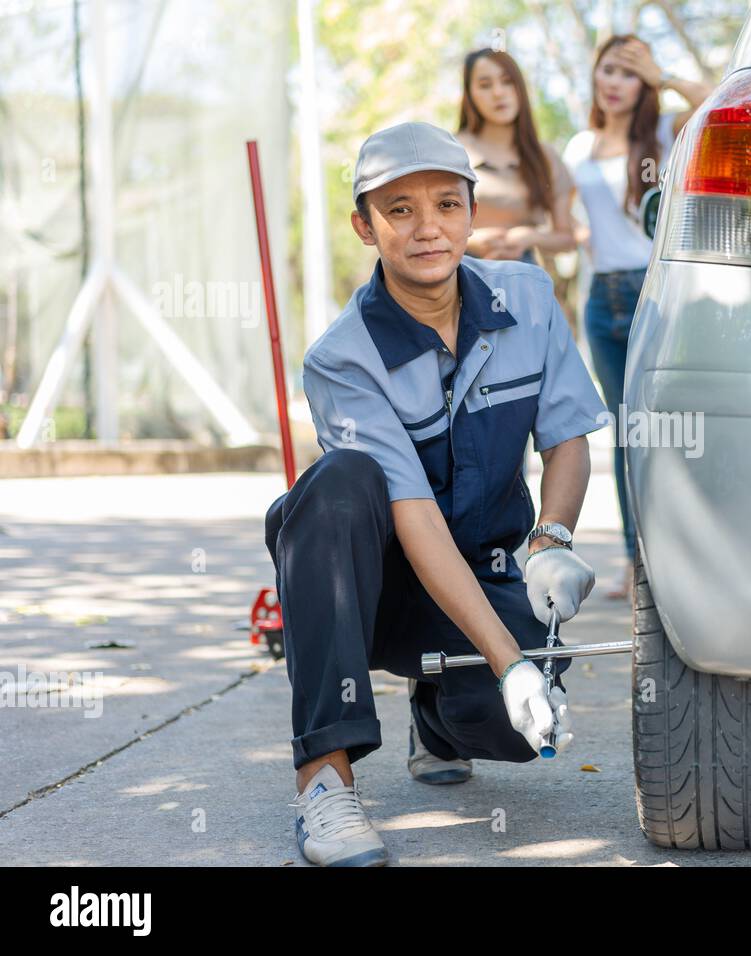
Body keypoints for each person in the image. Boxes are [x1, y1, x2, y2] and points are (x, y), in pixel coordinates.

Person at [263, 122, 608, 867]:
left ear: (471, 213)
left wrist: (550, 540)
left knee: (512, 724)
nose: (428, 229)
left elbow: (568, 437)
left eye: (447, 205)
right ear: (364, 226)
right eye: (399, 210)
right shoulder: (342, 359)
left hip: (477, 573)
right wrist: (506, 657)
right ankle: (324, 783)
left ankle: (439, 718)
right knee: (337, 484)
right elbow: (413, 516)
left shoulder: (528, 298)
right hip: (367, 586)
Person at [563, 35, 711, 600]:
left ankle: (689, 558)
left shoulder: (668, 132)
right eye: (608, 70)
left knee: (674, 430)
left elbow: (718, 97)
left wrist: (664, 74)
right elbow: (569, 214)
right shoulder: (580, 147)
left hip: (661, 292)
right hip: (604, 299)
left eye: (629, 73)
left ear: (644, 81)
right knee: (628, 433)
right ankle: (635, 563)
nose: (615, 82)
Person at [456, 48, 576, 264]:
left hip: (524, 279)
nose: (498, 92)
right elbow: (429, 231)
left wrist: (529, 237)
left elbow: (567, 239)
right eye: (485, 85)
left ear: (520, 87)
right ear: (469, 94)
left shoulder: (544, 156)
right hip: (461, 275)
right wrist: (472, 241)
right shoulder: (451, 151)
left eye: (507, 81)